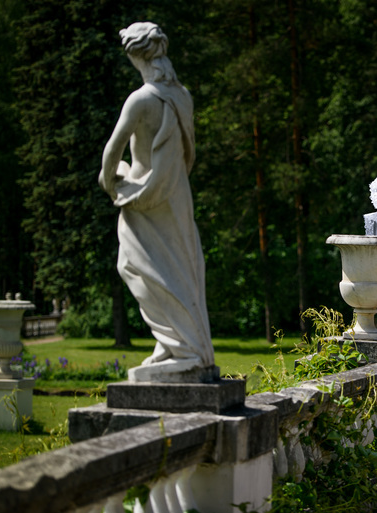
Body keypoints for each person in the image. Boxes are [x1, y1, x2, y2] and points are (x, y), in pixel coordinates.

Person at [99, 22, 214, 381]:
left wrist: (111, 182)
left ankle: (183, 349)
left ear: (136, 57)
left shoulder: (141, 99)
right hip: (176, 195)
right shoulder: (182, 95)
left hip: (143, 199)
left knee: (135, 267)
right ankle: (174, 344)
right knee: (181, 270)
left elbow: (112, 151)